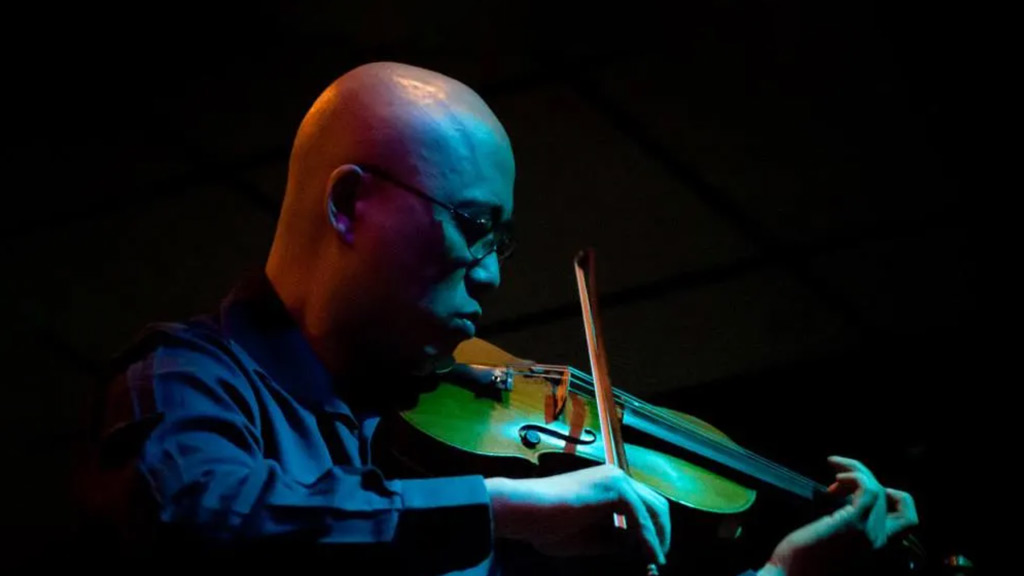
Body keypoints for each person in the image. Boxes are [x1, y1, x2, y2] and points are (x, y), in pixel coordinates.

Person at [76, 62, 918, 576]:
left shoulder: (411, 463)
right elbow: (191, 515)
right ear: (348, 205)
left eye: (501, 244)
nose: (488, 278)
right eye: (475, 229)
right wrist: (504, 509)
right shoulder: (191, 378)